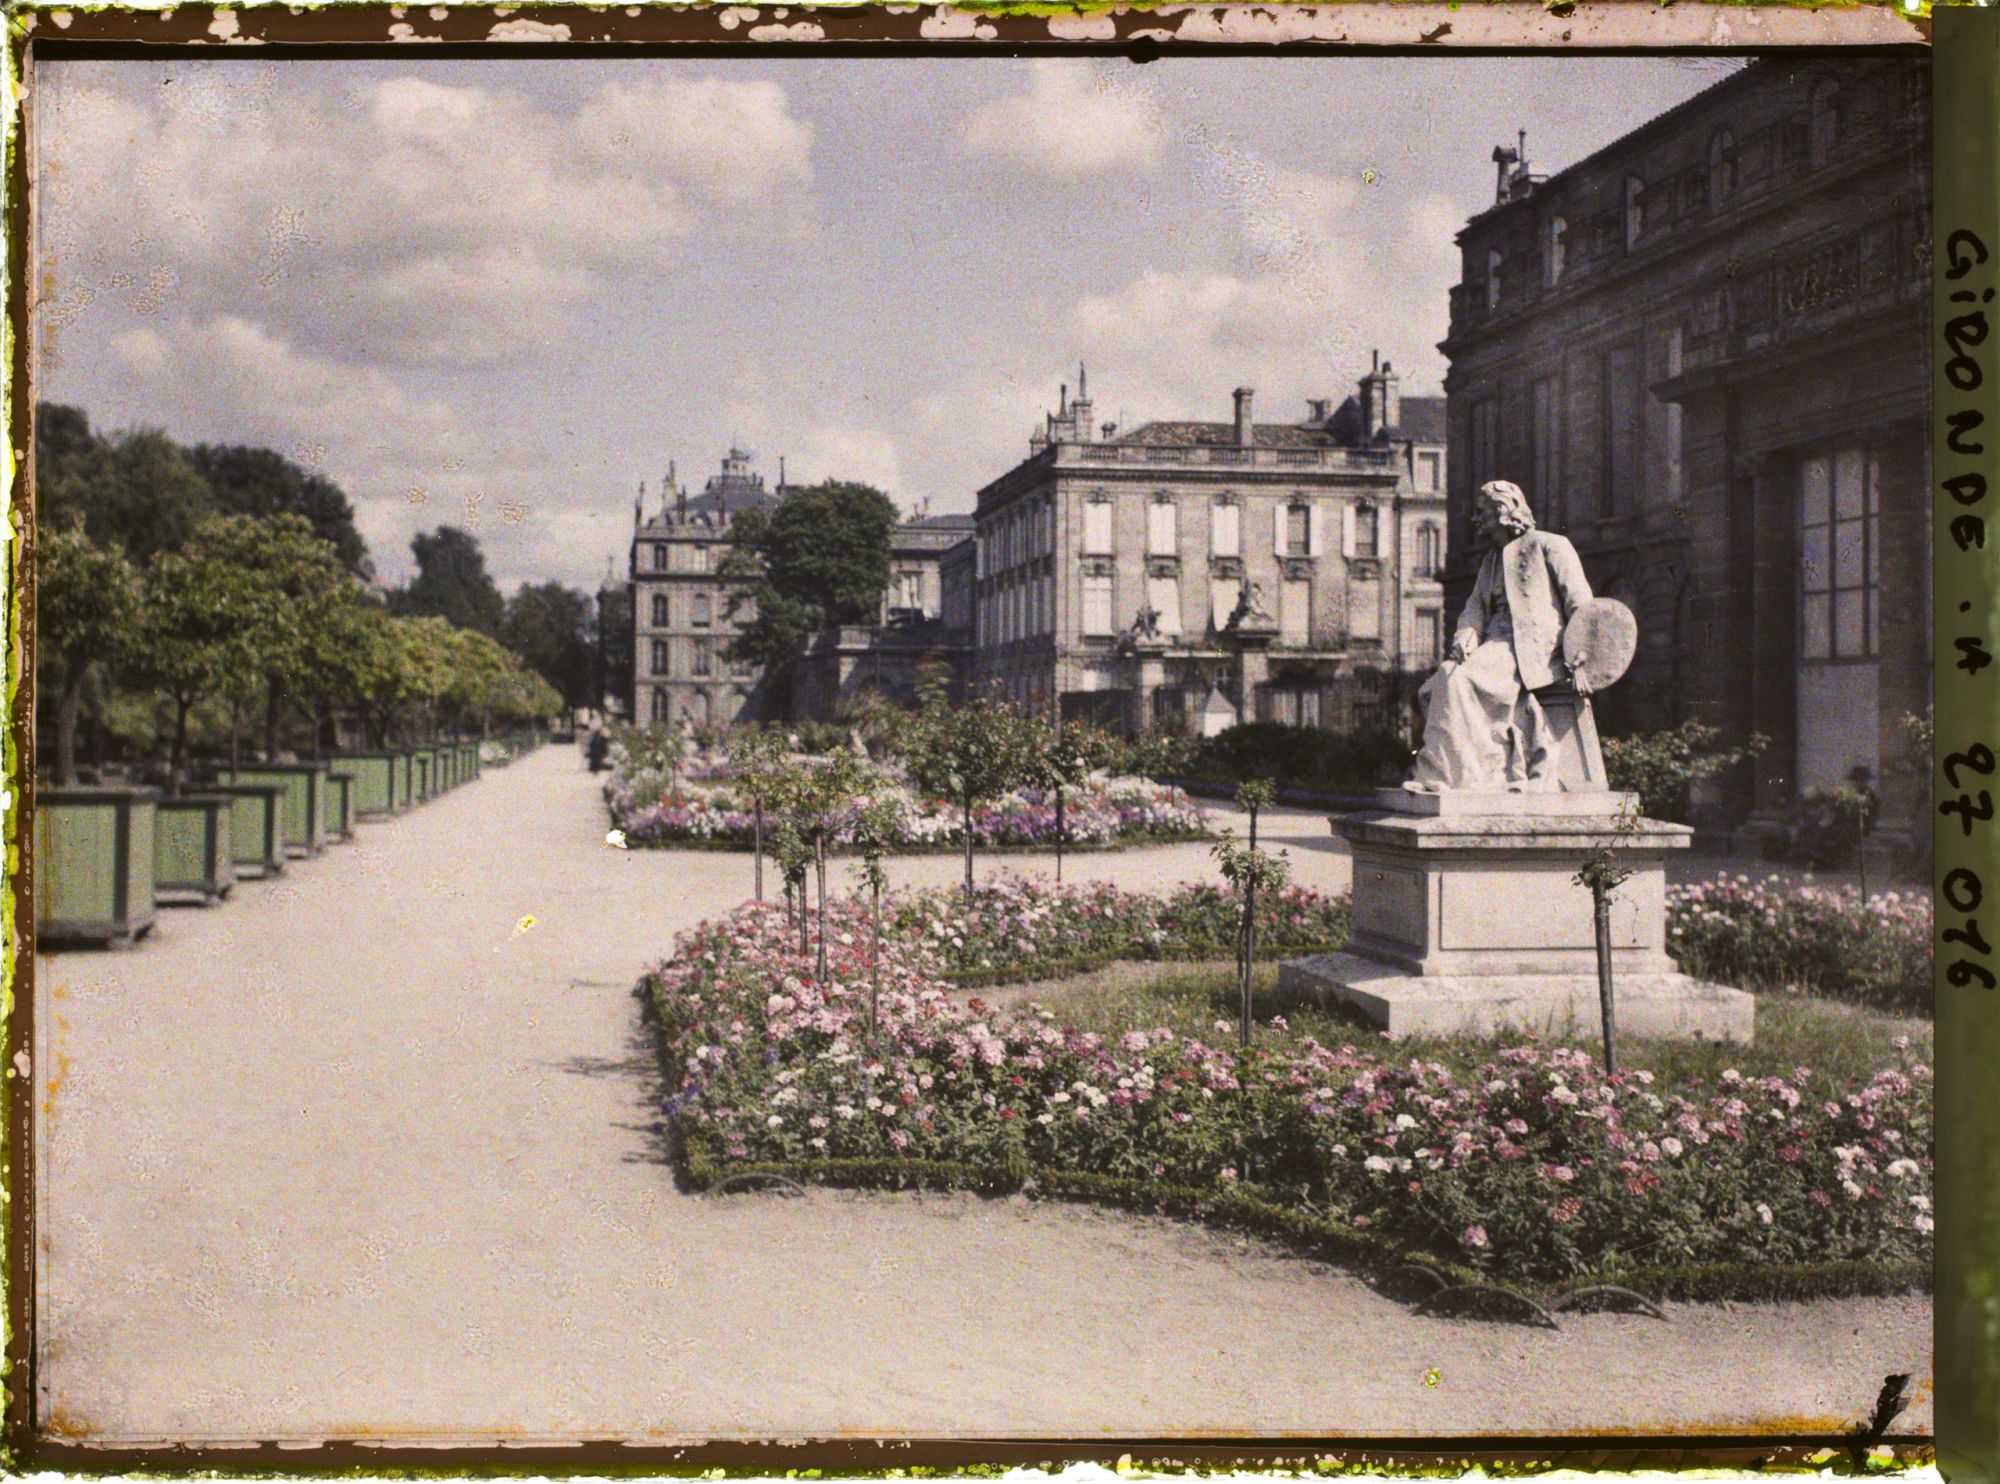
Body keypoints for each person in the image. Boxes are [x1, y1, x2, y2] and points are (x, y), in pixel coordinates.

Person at [1407, 480, 1593, 793]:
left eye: (1482, 512)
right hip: (1497, 646)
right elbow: (1474, 609)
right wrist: (1465, 636)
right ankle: (1452, 774)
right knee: (1442, 679)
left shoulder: (1551, 545)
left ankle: (1462, 776)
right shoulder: (1490, 562)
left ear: (1503, 511)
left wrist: (1581, 657)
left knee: (1457, 680)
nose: (1475, 519)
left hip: (1535, 650)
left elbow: (1581, 604)